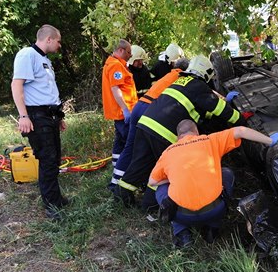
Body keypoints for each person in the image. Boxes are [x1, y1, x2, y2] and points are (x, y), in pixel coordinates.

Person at [113, 54, 244, 208]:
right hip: (164, 133)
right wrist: (242, 120)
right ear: (206, 73)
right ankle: (150, 206)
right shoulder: (199, 86)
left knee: (139, 163)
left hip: (145, 123)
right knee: (166, 169)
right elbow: (222, 111)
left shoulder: (180, 81)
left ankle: (121, 196)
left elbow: (199, 109)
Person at [149, 120, 278, 247]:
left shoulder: (167, 152)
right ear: (196, 132)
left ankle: (181, 232)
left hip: (181, 215)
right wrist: (270, 141)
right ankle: (212, 228)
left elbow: (152, 181)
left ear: (178, 137)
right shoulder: (209, 140)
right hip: (214, 210)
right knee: (227, 173)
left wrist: (172, 178)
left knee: (161, 187)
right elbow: (241, 131)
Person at [11, 24, 68, 220]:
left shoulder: (44, 60)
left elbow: (47, 92)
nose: (60, 45)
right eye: (58, 41)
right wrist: (23, 116)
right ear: (49, 39)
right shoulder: (27, 55)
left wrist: (59, 117)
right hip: (36, 116)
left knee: (55, 159)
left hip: (50, 116)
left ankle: (57, 198)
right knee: (48, 160)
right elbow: (16, 85)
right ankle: (51, 206)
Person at [109, 57, 189, 188]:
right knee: (147, 150)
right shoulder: (182, 78)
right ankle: (150, 184)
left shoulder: (169, 75)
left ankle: (115, 183)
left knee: (130, 147)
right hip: (148, 110)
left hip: (138, 107)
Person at [101, 39, 138, 168]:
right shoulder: (116, 65)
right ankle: (126, 168)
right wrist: (125, 109)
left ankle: (117, 165)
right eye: (129, 52)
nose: (130, 55)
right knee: (130, 142)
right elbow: (115, 88)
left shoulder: (112, 63)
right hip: (123, 112)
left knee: (120, 140)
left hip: (120, 112)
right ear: (121, 50)